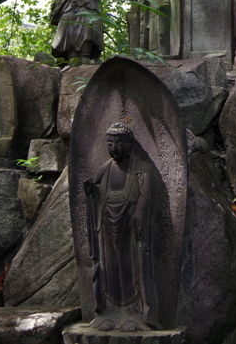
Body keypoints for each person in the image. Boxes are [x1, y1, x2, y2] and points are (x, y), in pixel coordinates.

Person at [82, 123, 159, 332]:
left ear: (129, 144)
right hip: (106, 226)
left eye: (118, 143)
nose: (114, 147)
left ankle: (135, 315)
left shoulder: (141, 168)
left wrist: (138, 215)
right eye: (110, 143)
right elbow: (96, 194)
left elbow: (146, 196)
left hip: (130, 227)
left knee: (132, 269)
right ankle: (109, 313)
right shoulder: (105, 168)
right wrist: (91, 191)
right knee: (109, 269)